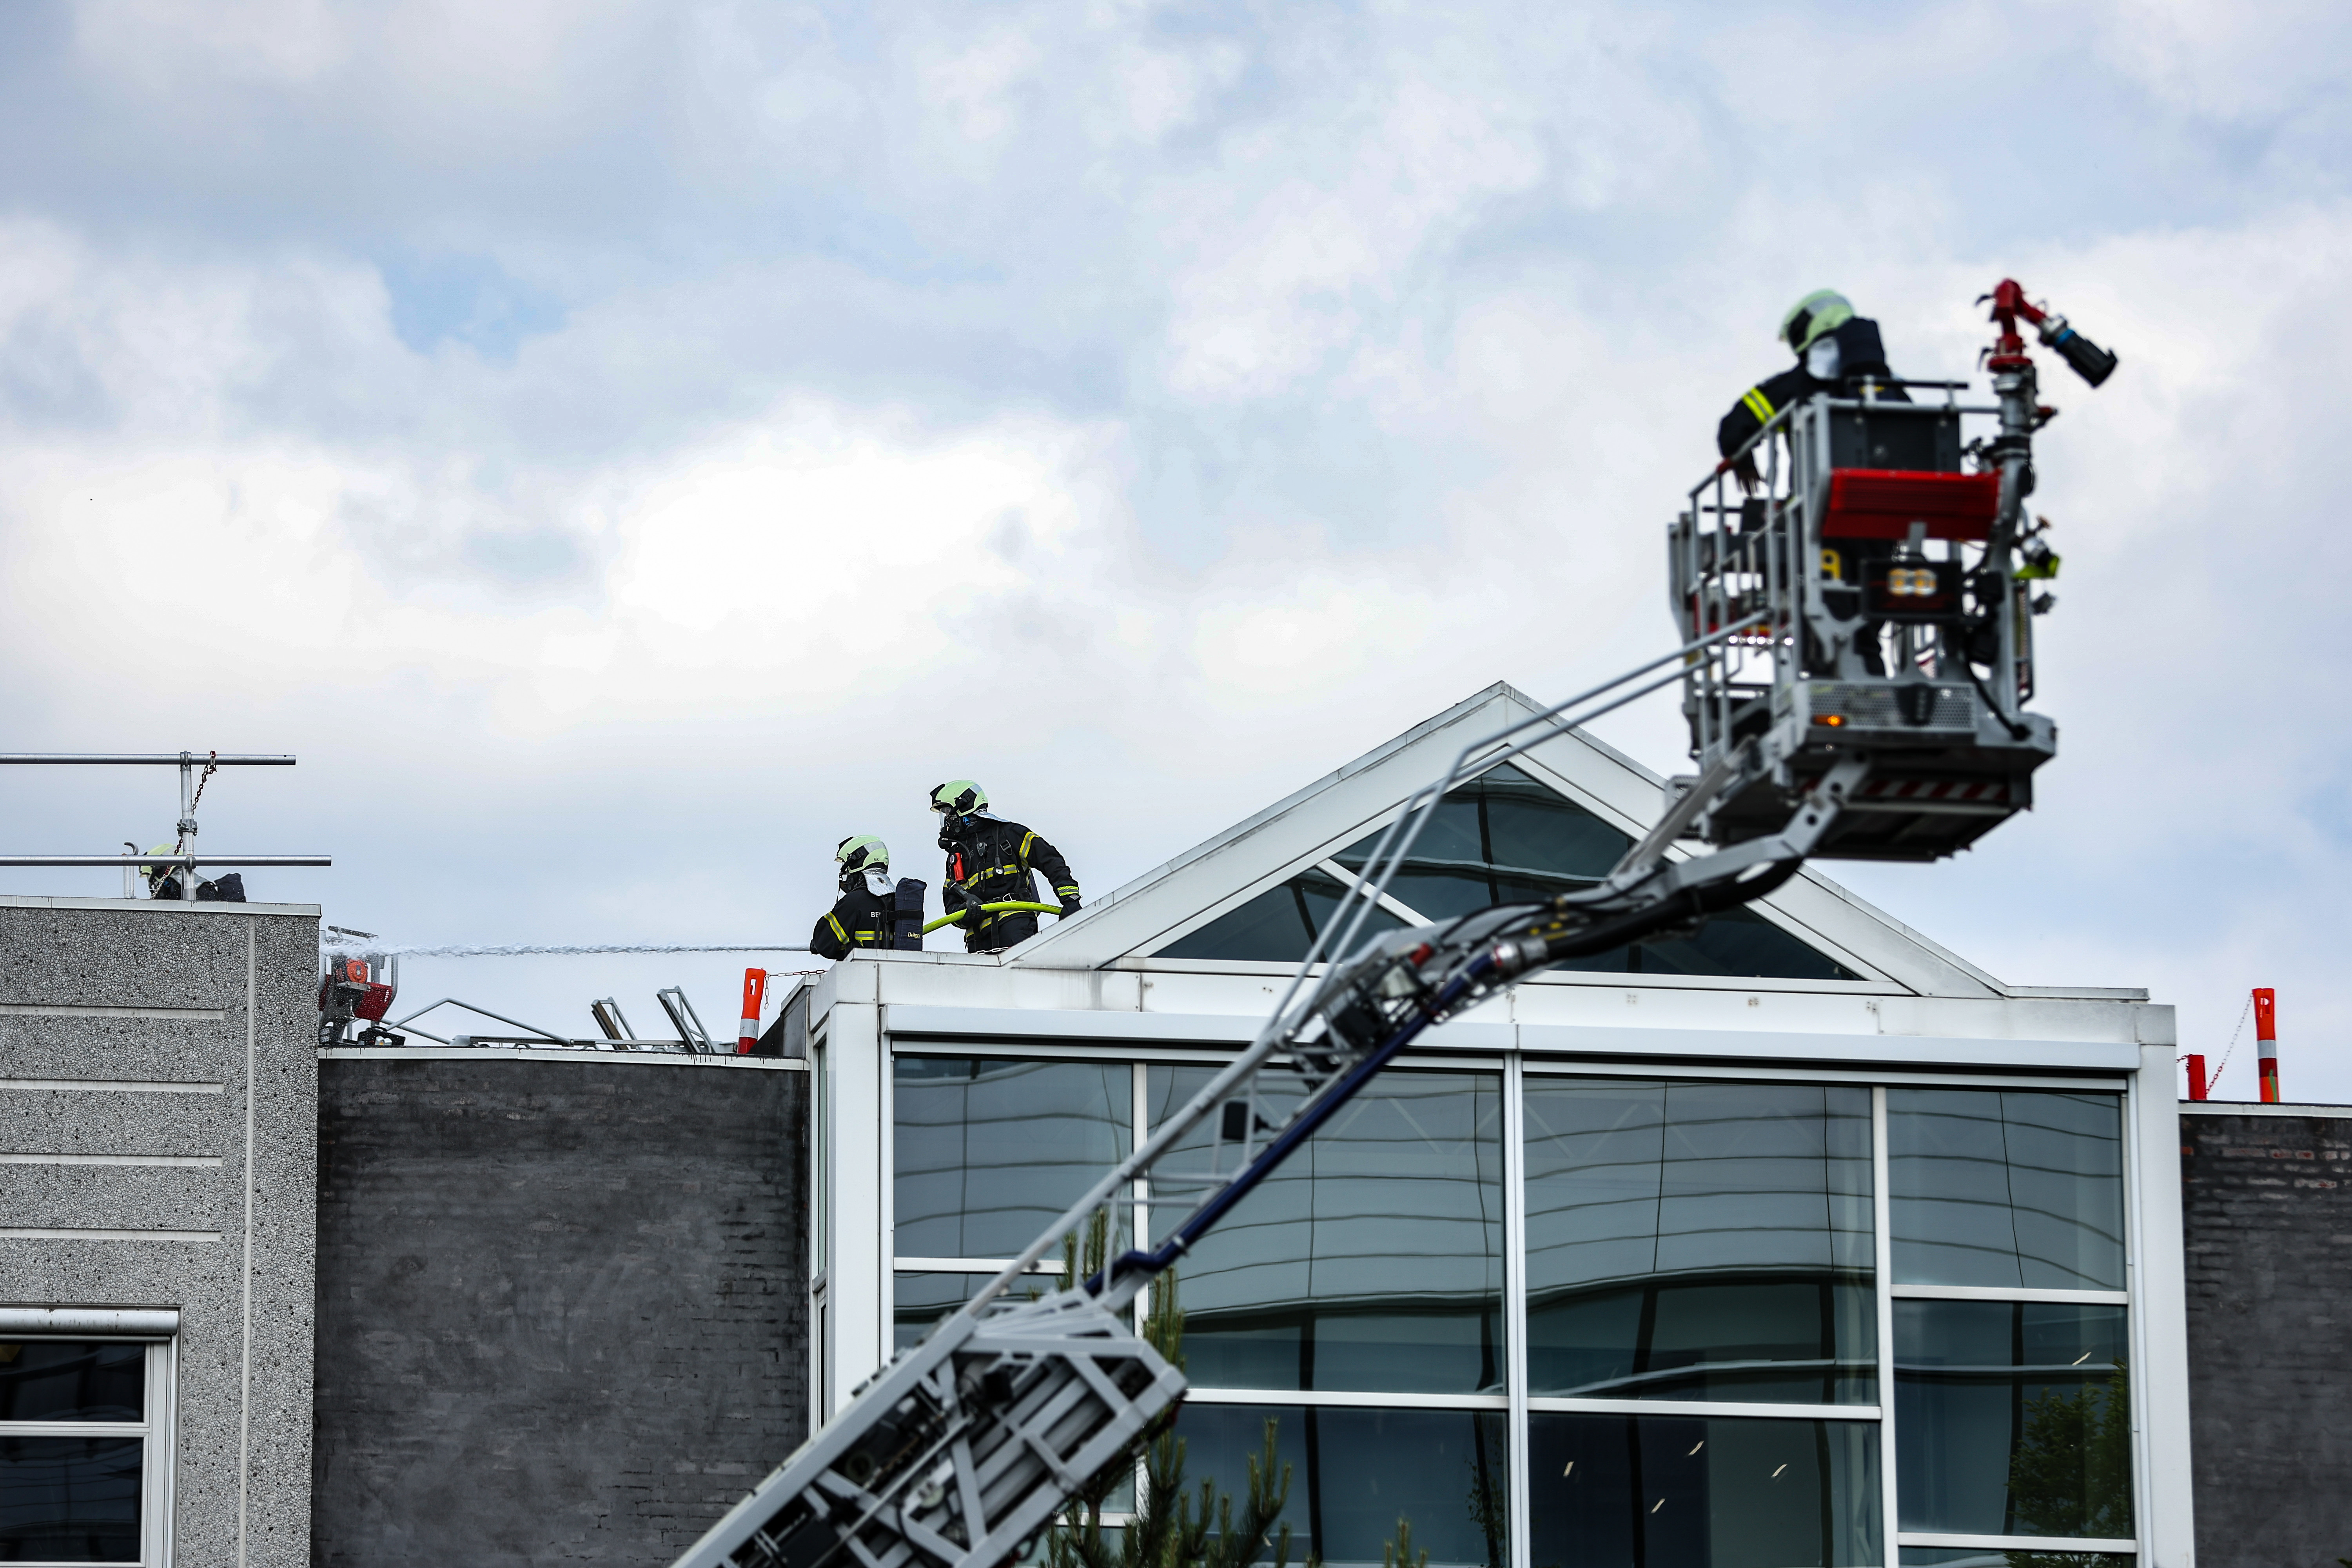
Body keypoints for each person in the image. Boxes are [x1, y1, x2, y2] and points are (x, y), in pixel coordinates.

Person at [1716, 289, 1906, 492]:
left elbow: (1734, 427)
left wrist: (1743, 463)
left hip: (1816, 500)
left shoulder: (1798, 383)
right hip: (1895, 490)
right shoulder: (1888, 384)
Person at [929, 780, 1080, 954]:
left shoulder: (1009, 833)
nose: (947, 819)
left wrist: (1070, 900)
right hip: (976, 938)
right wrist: (966, 913)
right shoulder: (956, 856)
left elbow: (1050, 860)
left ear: (965, 806)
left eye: (948, 812)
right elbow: (951, 904)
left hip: (1015, 925)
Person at [810, 835, 920, 959]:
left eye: (846, 866)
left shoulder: (855, 901)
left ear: (857, 861)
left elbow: (825, 944)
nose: (845, 872)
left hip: (861, 974)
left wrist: (817, 942)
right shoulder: (900, 901)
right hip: (899, 971)